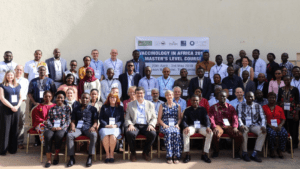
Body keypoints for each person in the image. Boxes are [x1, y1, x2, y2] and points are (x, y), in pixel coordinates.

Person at [125, 87, 157, 162]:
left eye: (141, 93)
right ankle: (133, 153)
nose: (139, 95)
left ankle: (145, 152)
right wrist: (130, 125)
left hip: (146, 125)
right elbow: (127, 118)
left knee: (153, 134)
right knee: (130, 133)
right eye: (138, 93)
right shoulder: (130, 104)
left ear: (144, 94)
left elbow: (154, 118)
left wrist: (151, 125)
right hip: (135, 125)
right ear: (135, 94)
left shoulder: (150, 104)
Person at [66, 93, 98, 167]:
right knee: (69, 135)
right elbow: (73, 120)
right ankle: (71, 158)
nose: (85, 100)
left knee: (94, 134)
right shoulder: (76, 108)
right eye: (83, 98)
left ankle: (90, 156)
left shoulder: (93, 109)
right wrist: (73, 127)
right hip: (78, 128)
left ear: (89, 99)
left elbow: (95, 121)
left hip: (88, 128)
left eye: (86, 98)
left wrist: (93, 127)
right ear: (80, 99)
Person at [209, 90, 243, 158]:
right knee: (215, 134)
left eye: (224, 96)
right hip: (218, 125)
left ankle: (236, 153)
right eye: (220, 96)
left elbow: (235, 118)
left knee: (239, 134)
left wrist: (235, 127)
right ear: (217, 97)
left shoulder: (231, 107)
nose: (222, 98)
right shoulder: (213, 107)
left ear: (226, 97)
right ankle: (216, 151)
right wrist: (214, 127)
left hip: (228, 126)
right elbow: (211, 118)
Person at [237, 92, 267, 162]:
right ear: (245, 97)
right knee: (244, 131)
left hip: (254, 125)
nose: (250, 98)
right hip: (245, 125)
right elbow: (239, 117)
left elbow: (263, 117)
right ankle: (244, 153)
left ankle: (254, 153)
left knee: (263, 132)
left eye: (251, 97)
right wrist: (241, 125)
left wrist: (263, 126)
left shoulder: (258, 106)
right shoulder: (240, 105)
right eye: (248, 97)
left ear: (254, 98)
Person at [182, 95, 213, 163]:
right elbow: (184, 120)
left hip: (201, 126)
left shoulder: (203, 109)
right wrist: (186, 127)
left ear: (199, 101)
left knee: (210, 133)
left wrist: (208, 126)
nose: (195, 102)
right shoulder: (187, 110)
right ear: (190, 101)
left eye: (196, 100)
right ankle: (187, 154)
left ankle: (205, 154)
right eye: (193, 100)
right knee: (185, 132)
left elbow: (207, 119)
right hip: (192, 126)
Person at [44, 91, 71, 167]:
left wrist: (61, 128)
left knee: (59, 136)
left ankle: (56, 155)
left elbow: (68, 120)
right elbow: (48, 119)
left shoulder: (67, 108)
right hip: (52, 127)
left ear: (64, 98)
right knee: (48, 135)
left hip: (62, 128)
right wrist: (52, 127)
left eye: (61, 98)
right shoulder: (52, 108)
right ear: (55, 99)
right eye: (58, 97)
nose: (59, 99)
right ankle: (49, 159)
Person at [0, 70, 22, 155]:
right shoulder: (2, 85)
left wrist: (17, 106)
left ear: (14, 76)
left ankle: (12, 149)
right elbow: (2, 98)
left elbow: (21, 97)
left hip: (16, 110)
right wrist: (11, 106)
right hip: (6, 109)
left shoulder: (18, 85)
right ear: (6, 76)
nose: (10, 77)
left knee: (14, 128)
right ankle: (3, 150)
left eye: (11, 75)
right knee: (5, 129)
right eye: (8, 75)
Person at [157, 90, 182, 164]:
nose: (169, 96)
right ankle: (169, 156)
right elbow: (159, 119)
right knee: (168, 132)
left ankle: (176, 155)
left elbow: (179, 118)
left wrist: (177, 124)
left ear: (173, 96)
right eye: (167, 95)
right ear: (165, 96)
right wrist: (164, 125)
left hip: (174, 125)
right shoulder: (162, 105)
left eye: (170, 95)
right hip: (165, 125)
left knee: (177, 132)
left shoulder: (178, 106)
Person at [99, 93, 124, 163]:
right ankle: (107, 154)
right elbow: (100, 118)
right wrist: (106, 125)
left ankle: (112, 154)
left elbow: (122, 120)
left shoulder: (120, 108)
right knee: (105, 135)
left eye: (114, 97)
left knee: (113, 136)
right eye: (111, 97)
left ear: (117, 99)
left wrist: (116, 125)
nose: (112, 99)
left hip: (115, 127)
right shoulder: (104, 107)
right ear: (108, 99)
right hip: (105, 127)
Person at [263, 92, 288, 158]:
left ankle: (280, 150)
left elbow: (283, 119)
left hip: (279, 126)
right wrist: (271, 126)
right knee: (272, 134)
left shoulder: (279, 108)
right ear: (268, 99)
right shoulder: (264, 107)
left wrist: (280, 126)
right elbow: (263, 119)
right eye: (270, 97)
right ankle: (272, 150)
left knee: (284, 133)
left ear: (275, 99)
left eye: (273, 98)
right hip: (269, 126)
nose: (272, 99)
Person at [277, 75, 299, 149]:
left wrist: (297, 113)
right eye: (285, 80)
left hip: (292, 113)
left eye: (288, 80)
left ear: (291, 80)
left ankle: (293, 145)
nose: (287, 81)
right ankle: (285, 144)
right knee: (285, 128)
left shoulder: (295, 89)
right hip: (283, 112)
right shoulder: (280, 89)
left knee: (293, 129)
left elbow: (298, 102)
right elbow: (278, 101)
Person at [15, 65, 29, 149]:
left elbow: (25, 92)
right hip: (11, 103)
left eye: (20, 70)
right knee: (11, 122)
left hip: (21, 103)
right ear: (15, 70)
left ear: (23, 71)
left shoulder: (25, 81)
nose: (19, 71)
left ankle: (19, 142)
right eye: (17, 69)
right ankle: (11, 142)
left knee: (21, 122)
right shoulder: (10, 79)